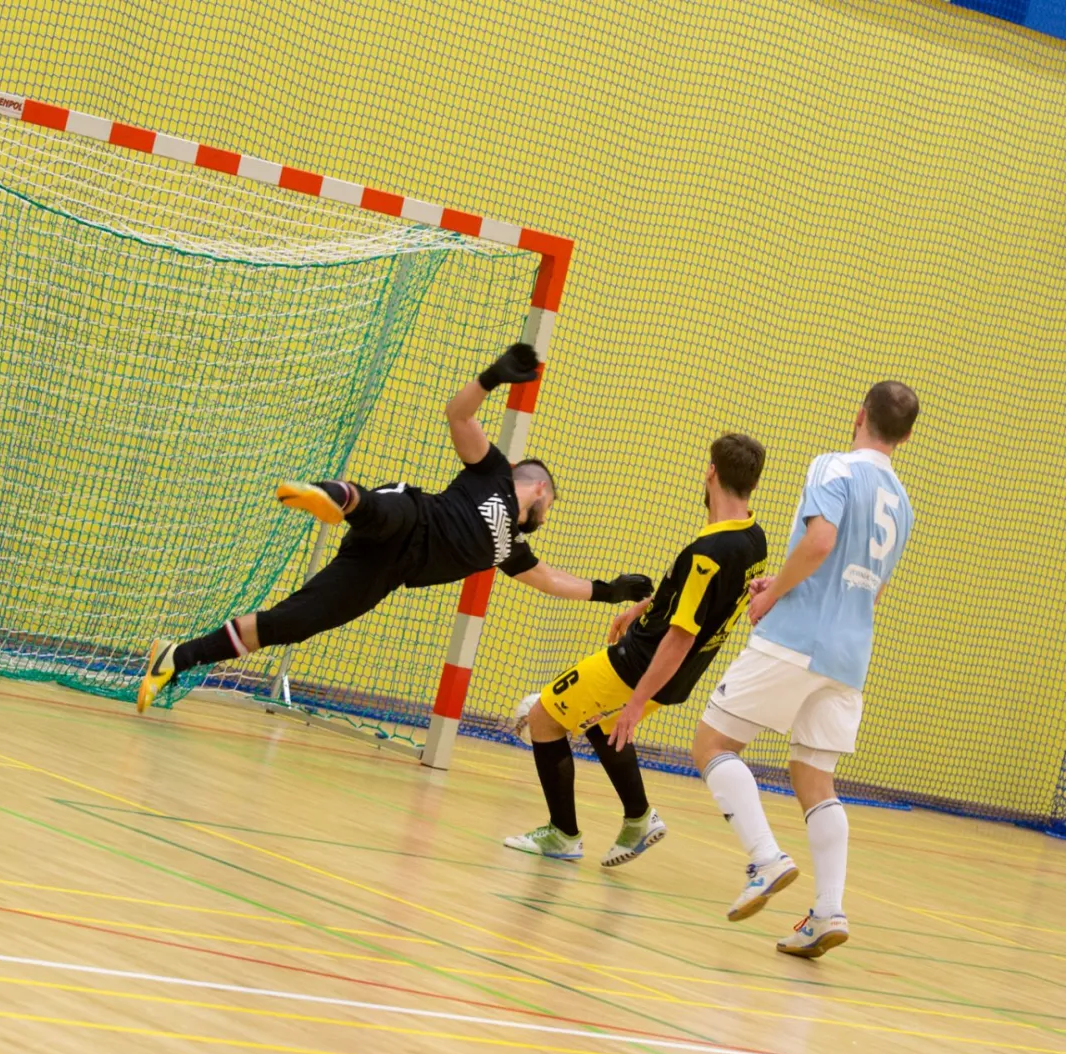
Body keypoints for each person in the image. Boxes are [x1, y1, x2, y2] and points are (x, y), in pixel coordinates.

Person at [136, 343, 654, 712]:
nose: (547, 517)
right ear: (539, 489)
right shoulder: (494, 471)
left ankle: (176, 656)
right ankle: (333, 496)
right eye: (551, 506)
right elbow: (457, 416)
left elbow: (550, 580)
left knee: (294, 622)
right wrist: (490, 378)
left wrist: (609, 592)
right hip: (413, 516)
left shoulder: (511, 549)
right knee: (387, 513)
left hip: (385, 571)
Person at [691, 382, 917, 958]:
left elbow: (819, 542)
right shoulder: (903, 504)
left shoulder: (833, 467)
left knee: (713, 743)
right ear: (908, 435)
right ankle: (827, 912)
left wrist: (772, 597)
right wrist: (787, 582)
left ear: (859, 414)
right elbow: (871, 588)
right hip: (850, 654)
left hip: (797, 639)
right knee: (815, 778)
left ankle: (766, 858)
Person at [504, 433, 767, 867]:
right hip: (678, 676)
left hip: (637, 665)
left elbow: (681, 634)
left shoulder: (709, 551)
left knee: (543, 719)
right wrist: (643, 607)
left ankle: (562, 834)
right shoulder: (753, 537)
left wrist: (636, 701)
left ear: (711, 472)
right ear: (752, 484)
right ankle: (638, 820)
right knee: (605, 727)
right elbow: (699, 601)